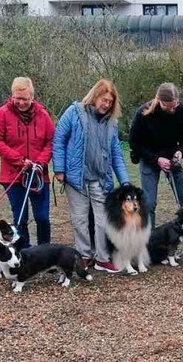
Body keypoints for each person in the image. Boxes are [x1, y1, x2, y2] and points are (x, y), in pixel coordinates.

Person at [52, 79, 130, 273]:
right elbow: (59, 139)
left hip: (101, 179)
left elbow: (116, 153)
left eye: (110, 102)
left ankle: (103, 258)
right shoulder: (74, 112)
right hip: (75, 178)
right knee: (79, 219)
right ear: (95, 96)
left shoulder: (111, 123)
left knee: (103, 219)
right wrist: (59, 169)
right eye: (104, 100)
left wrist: (125, 181)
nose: (107, 105)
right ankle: (84, 255)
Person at [129, 83, 183, 258]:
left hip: (173, 159)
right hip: (150, 159)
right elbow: (134, 143)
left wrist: (181, 150)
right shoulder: (143, 114)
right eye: (168, 106)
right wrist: (156, 159)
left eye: (175, 105)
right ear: (159, 101)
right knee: (149, 203)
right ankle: (148, 245)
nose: (173, 109)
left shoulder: (181, 111)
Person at [0, 77, 55, 246]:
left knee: (42, 217)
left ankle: (44, 251)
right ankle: (24, 254)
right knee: (20, 218)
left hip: (38, 175)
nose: (20, 102)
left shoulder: (43, 115)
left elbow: (52, 141)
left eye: (24, 98)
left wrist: (40, 162)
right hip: (13, 176)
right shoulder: (2, 113)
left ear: (32, 97)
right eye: (17, 98)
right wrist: (19, 160)